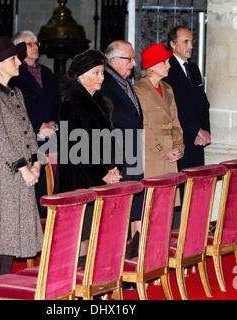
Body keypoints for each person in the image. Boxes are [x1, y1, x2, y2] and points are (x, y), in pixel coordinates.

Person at [0, 37, 44, 279]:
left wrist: (36, 161)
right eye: (14, 58)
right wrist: (23, 167)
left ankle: (4, 286)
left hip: (22, 173)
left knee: (11, 236)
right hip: (4, 174)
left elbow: (28, 129)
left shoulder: (16, 92)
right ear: (0, 63)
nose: (19, 63)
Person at [55, 49, 122, 258]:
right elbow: (76, 146)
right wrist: (101, 173)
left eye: (103, 73)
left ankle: (88, 275)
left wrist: (113, 166)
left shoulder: (98, 101)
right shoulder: (72, 103)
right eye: (96, 73)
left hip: (98, 174)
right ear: (82, 76)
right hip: (79, 174)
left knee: (93, 229)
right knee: (80, 230)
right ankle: (75, 275)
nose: (101, 78)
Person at [11, 30, 60, 217]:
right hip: (28, 137)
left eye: (36, 43)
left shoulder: (47, 72)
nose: (35, 47)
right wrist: (39, 126)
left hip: (51, 136)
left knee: (51, 186)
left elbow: (56, 102)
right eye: (29, 44)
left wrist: (53, 124)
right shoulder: (15, 73)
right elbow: (17, 109)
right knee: (32, 190)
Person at [101, 40, 143, 247]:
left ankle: (130, 254)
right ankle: (114, 254)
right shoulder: (104, 82)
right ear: (114, 60)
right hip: (118, 153)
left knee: (133, 204)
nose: (134, 63)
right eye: (129, 59)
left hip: (133, 151)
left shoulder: (124, 81)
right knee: (117, 209)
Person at [134, 43, 184, 206]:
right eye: (164, 62)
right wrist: (162, 151)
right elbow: (143, 126)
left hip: (170, 156)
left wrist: (178, 146)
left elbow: (175, 122)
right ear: (152, 67)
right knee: (150, 204)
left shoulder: (167, 88)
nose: (169, 65)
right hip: (152, 156)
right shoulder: (139, 90)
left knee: (166, 205)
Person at [164, 25, 211, 172]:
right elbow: (174, 106)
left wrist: (205, 130)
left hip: (197, 140)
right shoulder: (167, 69)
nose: (191, 46)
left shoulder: (193, 69)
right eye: (185, 41)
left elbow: (203, 103)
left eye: (192, 41)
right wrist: (195, 130)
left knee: (196, 185)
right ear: (173, 44)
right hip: (179, 139)